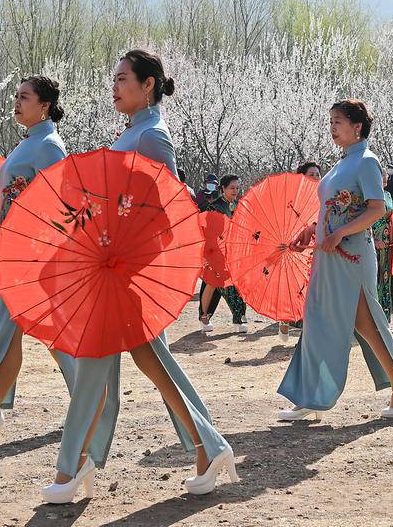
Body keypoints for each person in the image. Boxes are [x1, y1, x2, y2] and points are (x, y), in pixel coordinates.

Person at [44, 50, 237, 504]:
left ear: (148, 85)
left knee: (114, 361)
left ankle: (74, 465)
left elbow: (171, 213)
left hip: (126, 272)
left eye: (123, 78)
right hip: (109, 269)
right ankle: (208, 447)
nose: (114, 86)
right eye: (113, 78)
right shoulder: (131, 132)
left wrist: (125, 244)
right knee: (146, 361)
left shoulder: (153, 138)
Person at [0, 76, 80, 441]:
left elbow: (59, 203)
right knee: (15, 332)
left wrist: (8, 230)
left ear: (43, 104)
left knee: (38, 331)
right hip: (9, 252)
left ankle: (88, 401)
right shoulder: (30, 142)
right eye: (16, 96)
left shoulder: (49, 146)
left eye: (24, 97)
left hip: (31, 256)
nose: (16, 102)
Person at [277, 99, 393, 423]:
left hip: (351, 255)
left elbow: (377, 208)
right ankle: (314, 394)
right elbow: (333, 209)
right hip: (329, 255)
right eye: (331, 122)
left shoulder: (367, 162)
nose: (332, 128)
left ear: (357, 127)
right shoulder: (340, 163)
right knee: (320, 320)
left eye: (338, 121)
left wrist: (339, 234)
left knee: (362, 324)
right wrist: (312, 230)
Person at [198, 175, 249, 333]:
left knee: (233, 284)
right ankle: (205, 316)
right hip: (215, 250)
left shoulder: (237, 206)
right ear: (223, 189)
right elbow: (207, 229)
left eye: (237, 188)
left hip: (232, 251)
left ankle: (238, 317)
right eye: (232, 188)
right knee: (212, 283)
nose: (235, 191)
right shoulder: (216, 207)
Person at [281, 162, 323, 341]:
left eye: (318, 174)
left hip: (316, 247)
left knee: (315, 287)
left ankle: (312, 329)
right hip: (299, 248)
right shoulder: (294, 199)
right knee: (296, 287)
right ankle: (285, 319)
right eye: (312, 174)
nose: (316, 177)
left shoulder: (325, 196)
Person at [373, 170, 393, 321]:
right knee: (374, 276)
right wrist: (375, 239)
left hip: (387, 241)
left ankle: (384, 315)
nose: (385, 177)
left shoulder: (387, 195)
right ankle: (372, 315)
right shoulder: (370, 195)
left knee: (385, 277)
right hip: (374, 240)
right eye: (381, 175)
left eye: (385, 175)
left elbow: (391, 217)